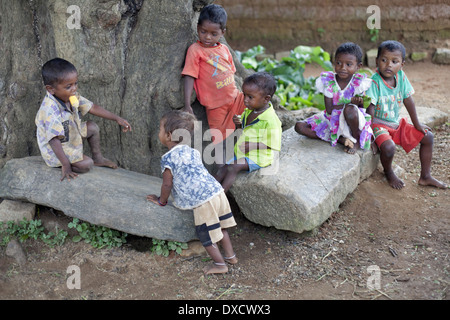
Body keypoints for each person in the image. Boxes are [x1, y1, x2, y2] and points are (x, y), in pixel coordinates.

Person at [146, 110, 238, 275]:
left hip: (203, 201)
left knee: (206, 236)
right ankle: (231, 256)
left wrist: (162, 201)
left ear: (168, 135)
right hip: (217, 192)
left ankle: (220, 264)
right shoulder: (193, 152)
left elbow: (167, 184)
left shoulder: (168, 158)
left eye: (159, 129)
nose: (158, 132)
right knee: (221, 228)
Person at [366, 40, 447, 189]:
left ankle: (425, 176)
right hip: (378, 125)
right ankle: (389, 172)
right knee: (389, 148)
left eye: (394, 61)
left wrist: (416, 124)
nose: (388, 65)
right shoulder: (375, 82)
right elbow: (369, 109)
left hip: (395, 124)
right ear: (377, 61)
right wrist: (370, 135)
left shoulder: (401, 77)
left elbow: (408, 99)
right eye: (384, 60)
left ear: (402, 64)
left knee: (428, 136)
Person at [35, 58, 131, 181]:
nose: (74, 88)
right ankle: (67, 162)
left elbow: (92, 107)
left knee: (92, 128)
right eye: (69, 86)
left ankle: (98, 159)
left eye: (76, 83)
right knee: (86, 165)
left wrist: (117, 118)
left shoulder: (71, 95)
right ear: (50, 89)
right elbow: (54, 141)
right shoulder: (49, 110)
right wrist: (66, 165)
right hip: (55, 149)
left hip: (70, 135)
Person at [181, 4, 245, 165]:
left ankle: (250, 154)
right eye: (203, 32)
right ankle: (224, 170)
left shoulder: (224, 49)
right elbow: (189, 76)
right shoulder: (195, 50)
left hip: (236, 98)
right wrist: (187, 104)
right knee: (219, 142)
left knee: (256, 115)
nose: (207, 37)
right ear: (197, 27)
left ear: (223, 33)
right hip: (215, 107)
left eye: (213, 34)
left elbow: (232, 71)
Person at [295, 42, 373, 154]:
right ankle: (338, 139)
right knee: (299, 126)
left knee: (350, 110)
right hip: (332, 119)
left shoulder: (358, 83)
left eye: (348, 64)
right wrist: (350, 101)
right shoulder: (329, 82)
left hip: (351, 122)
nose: (342, 68)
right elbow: (330, 110)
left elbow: (361, 108)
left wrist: (358, 103)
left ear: (358, 67)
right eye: (339, 63)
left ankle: (355, 139)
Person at [215, 72, 282, 193]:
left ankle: (219, 196)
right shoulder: (249, 111)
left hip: (259, 157)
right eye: (244, 95)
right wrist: (239, 125)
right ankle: (209, 190)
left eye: (250, 97)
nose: (245, 100)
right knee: (223, 168)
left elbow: (274, 144)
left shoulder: (271, 120)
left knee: (233, 167)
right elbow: (243, 131)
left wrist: (253, 145)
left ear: (266, 98)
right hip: (243, 154)